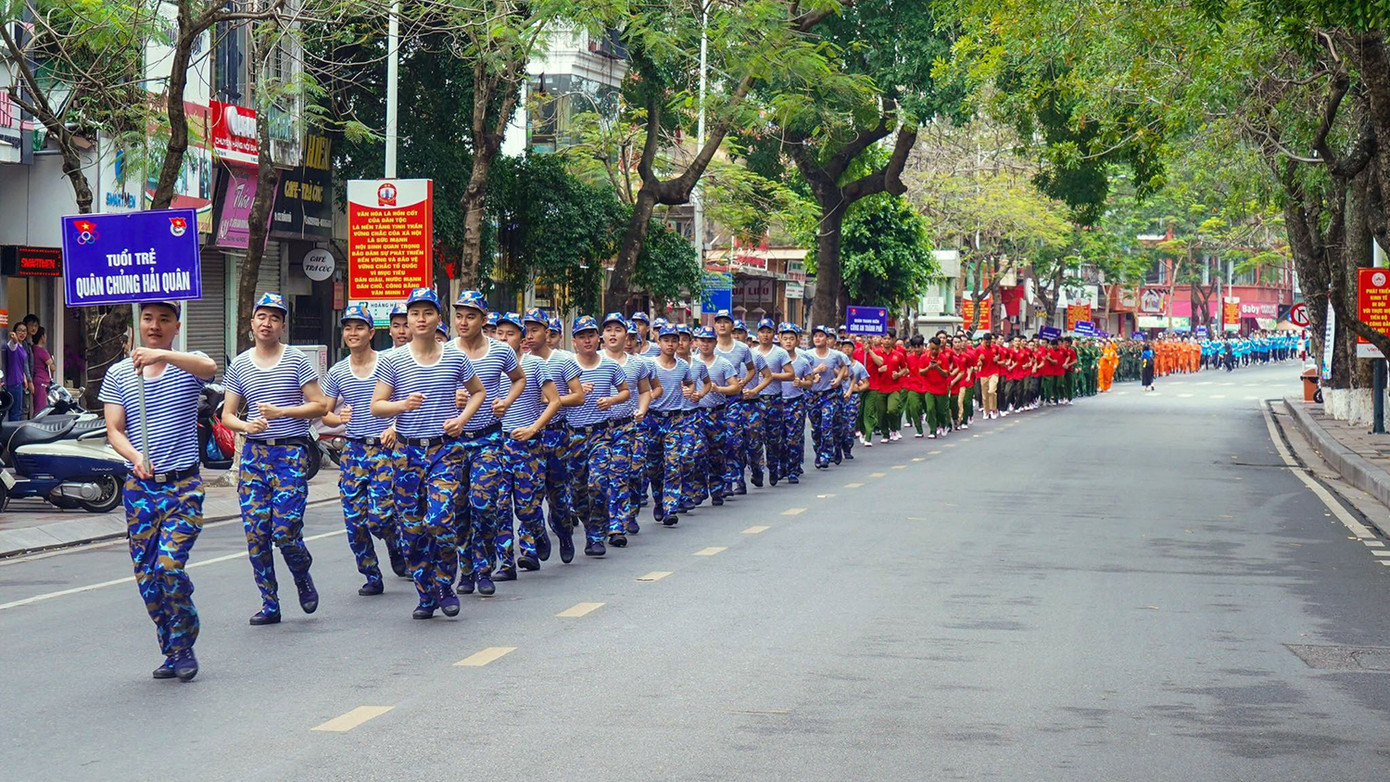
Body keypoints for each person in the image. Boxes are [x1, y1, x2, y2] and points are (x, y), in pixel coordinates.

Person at [100, 301, 217, 682]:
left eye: (164, 320)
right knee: (147, 578)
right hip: (140, 489)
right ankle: (172, 648)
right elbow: (114, 428)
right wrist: (134, 456)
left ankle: (185, 640)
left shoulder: (186, 364)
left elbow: (210, 368)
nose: (155, 325)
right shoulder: (119, 374)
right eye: (148, 318)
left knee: (169, 568)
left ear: (175, 326)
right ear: (137, 323)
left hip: (182, 487)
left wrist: (163, 354)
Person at [372, 287, 486, 619]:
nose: (421, 320)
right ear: (407, 320)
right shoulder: (393, 359)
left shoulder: (455, 356)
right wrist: (401, 405)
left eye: (427, 313)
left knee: (439, 519)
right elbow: (377, 405)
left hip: (444, 450)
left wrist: (462, 420)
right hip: (407, 452)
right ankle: (425, 593)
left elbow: (477, 393)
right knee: (411, 528)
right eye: (415, 314)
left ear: (439, 318)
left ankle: (445, 583)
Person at [221, 292, 331, 626]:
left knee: (284, 530)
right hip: (255, 452)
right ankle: (269, 602)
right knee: (256, 533)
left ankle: (301, 574)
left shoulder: (297, 360)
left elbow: (321, 405)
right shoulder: (240, 363)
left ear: (283, 325)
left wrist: (284, 411)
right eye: (261, 317)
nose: (266, 324)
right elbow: (227, 414)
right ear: (252, 322)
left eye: (274, 318)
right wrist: (245, 424)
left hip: (290, 451)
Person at [320, 304, 406, 597]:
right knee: (354, 520)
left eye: (359, 327)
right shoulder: (337, 371)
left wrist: (394, 425)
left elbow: (405, 402)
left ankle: (394, 543)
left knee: (380, 517)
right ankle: (371, 574)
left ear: (371, 332)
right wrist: (338, 418)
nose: (352, 333)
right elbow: (326, 414)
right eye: (347, 328)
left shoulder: (389, 364)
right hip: (354, 450)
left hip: (385, 449)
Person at [451, 291, 525, 596]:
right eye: (459, 315)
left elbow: (518, 379)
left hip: (489, 437)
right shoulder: (446, 352)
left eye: (471, 316)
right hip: (453, 442)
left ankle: (485, 567)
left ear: (484, 320)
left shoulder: (501, 351)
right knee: (458, 508)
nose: (464, 322)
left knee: (483, 504)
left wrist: (505, 402)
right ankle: (466, 570)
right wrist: (451, 399)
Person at [494, 312, 563, 573]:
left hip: (527, 445)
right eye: (499, 333)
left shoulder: (534, 364)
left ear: (521, 339)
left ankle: (536, 536)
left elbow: (554, 400)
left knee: (526, 506)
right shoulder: (488, 364)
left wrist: (534, 428)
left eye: (509, 334)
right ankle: (506, 563)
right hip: (497, 444)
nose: (503, 338)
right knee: (499, 506)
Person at [564, 316, 631, 556]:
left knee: (598, 483)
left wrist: (611, 399)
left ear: (598, 338)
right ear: (574, 341)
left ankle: (596, 536)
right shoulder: (567, 365)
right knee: (578, 490)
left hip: (601, 433)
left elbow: (626, 392)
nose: (587, 340)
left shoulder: (610, 365)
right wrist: (575, 393)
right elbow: (550, 398)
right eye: (582, 336)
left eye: (591, 335)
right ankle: (591, 524)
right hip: (572, 436)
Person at [524, 311, 583, 563]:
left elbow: (578, 396)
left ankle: (564, 532)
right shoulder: (516, 362)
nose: (529, 335)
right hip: (526, 435)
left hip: (555, 434)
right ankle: (529, 546)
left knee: (557, 493)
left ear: (547, 332)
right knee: (527, 493)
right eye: (525, 330)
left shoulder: (562, 361)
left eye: (534, 330)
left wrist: (549, 400)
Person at [600, 313, 656, 542]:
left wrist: (642, 409)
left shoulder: (637, 364)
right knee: (597, 480)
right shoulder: (592, 360)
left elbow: (645, 391)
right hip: (597, 429)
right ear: (602, 335)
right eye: (609, 330)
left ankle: (618, 523)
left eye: (618, 330)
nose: (613, 334)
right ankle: (601, 519)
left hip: (625, 427)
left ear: (628, 335)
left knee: (622, 474)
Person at [751, 318, 792, 485]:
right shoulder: (751, 352)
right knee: (754, 439)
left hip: (774, 400)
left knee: (773, 438)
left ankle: (773, 468)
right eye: (762, 332)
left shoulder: (780, 353)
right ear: (758, 334)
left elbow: (791, 374)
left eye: (768, 332)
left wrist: (773, 376)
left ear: (774, 334)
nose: (765, 335)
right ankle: (757, 471)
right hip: (755, 400)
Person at [5, 322, 30, 421]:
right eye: (19, 330)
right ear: (15, 332)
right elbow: (13, 343)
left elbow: (21, 364)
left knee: (18, 410)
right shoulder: (13, 345)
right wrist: (14, 338)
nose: (22, 333)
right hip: (13, 382)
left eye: (24, 331)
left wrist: (24, 377)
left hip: (19, 381)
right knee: (15, 412)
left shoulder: (22, 346)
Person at [30, 326, 53, 413]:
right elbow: (52, 367)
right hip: (42, 380)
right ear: (42, 336)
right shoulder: (42, 351)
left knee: (36, 404)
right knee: (41, 408)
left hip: (35, 379)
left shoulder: (31, 348)